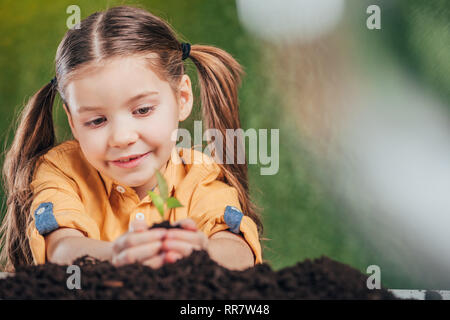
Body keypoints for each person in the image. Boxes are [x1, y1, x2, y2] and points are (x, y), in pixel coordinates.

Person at [0, 6, 263, 272]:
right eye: (96, 121)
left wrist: (200, 252)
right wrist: (119, 254)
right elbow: (62, 249)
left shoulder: (200, 176)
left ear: (182, 98)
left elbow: (238, 252)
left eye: (143, 110)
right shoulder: (62, 170)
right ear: (73, 122)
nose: (122, 138)